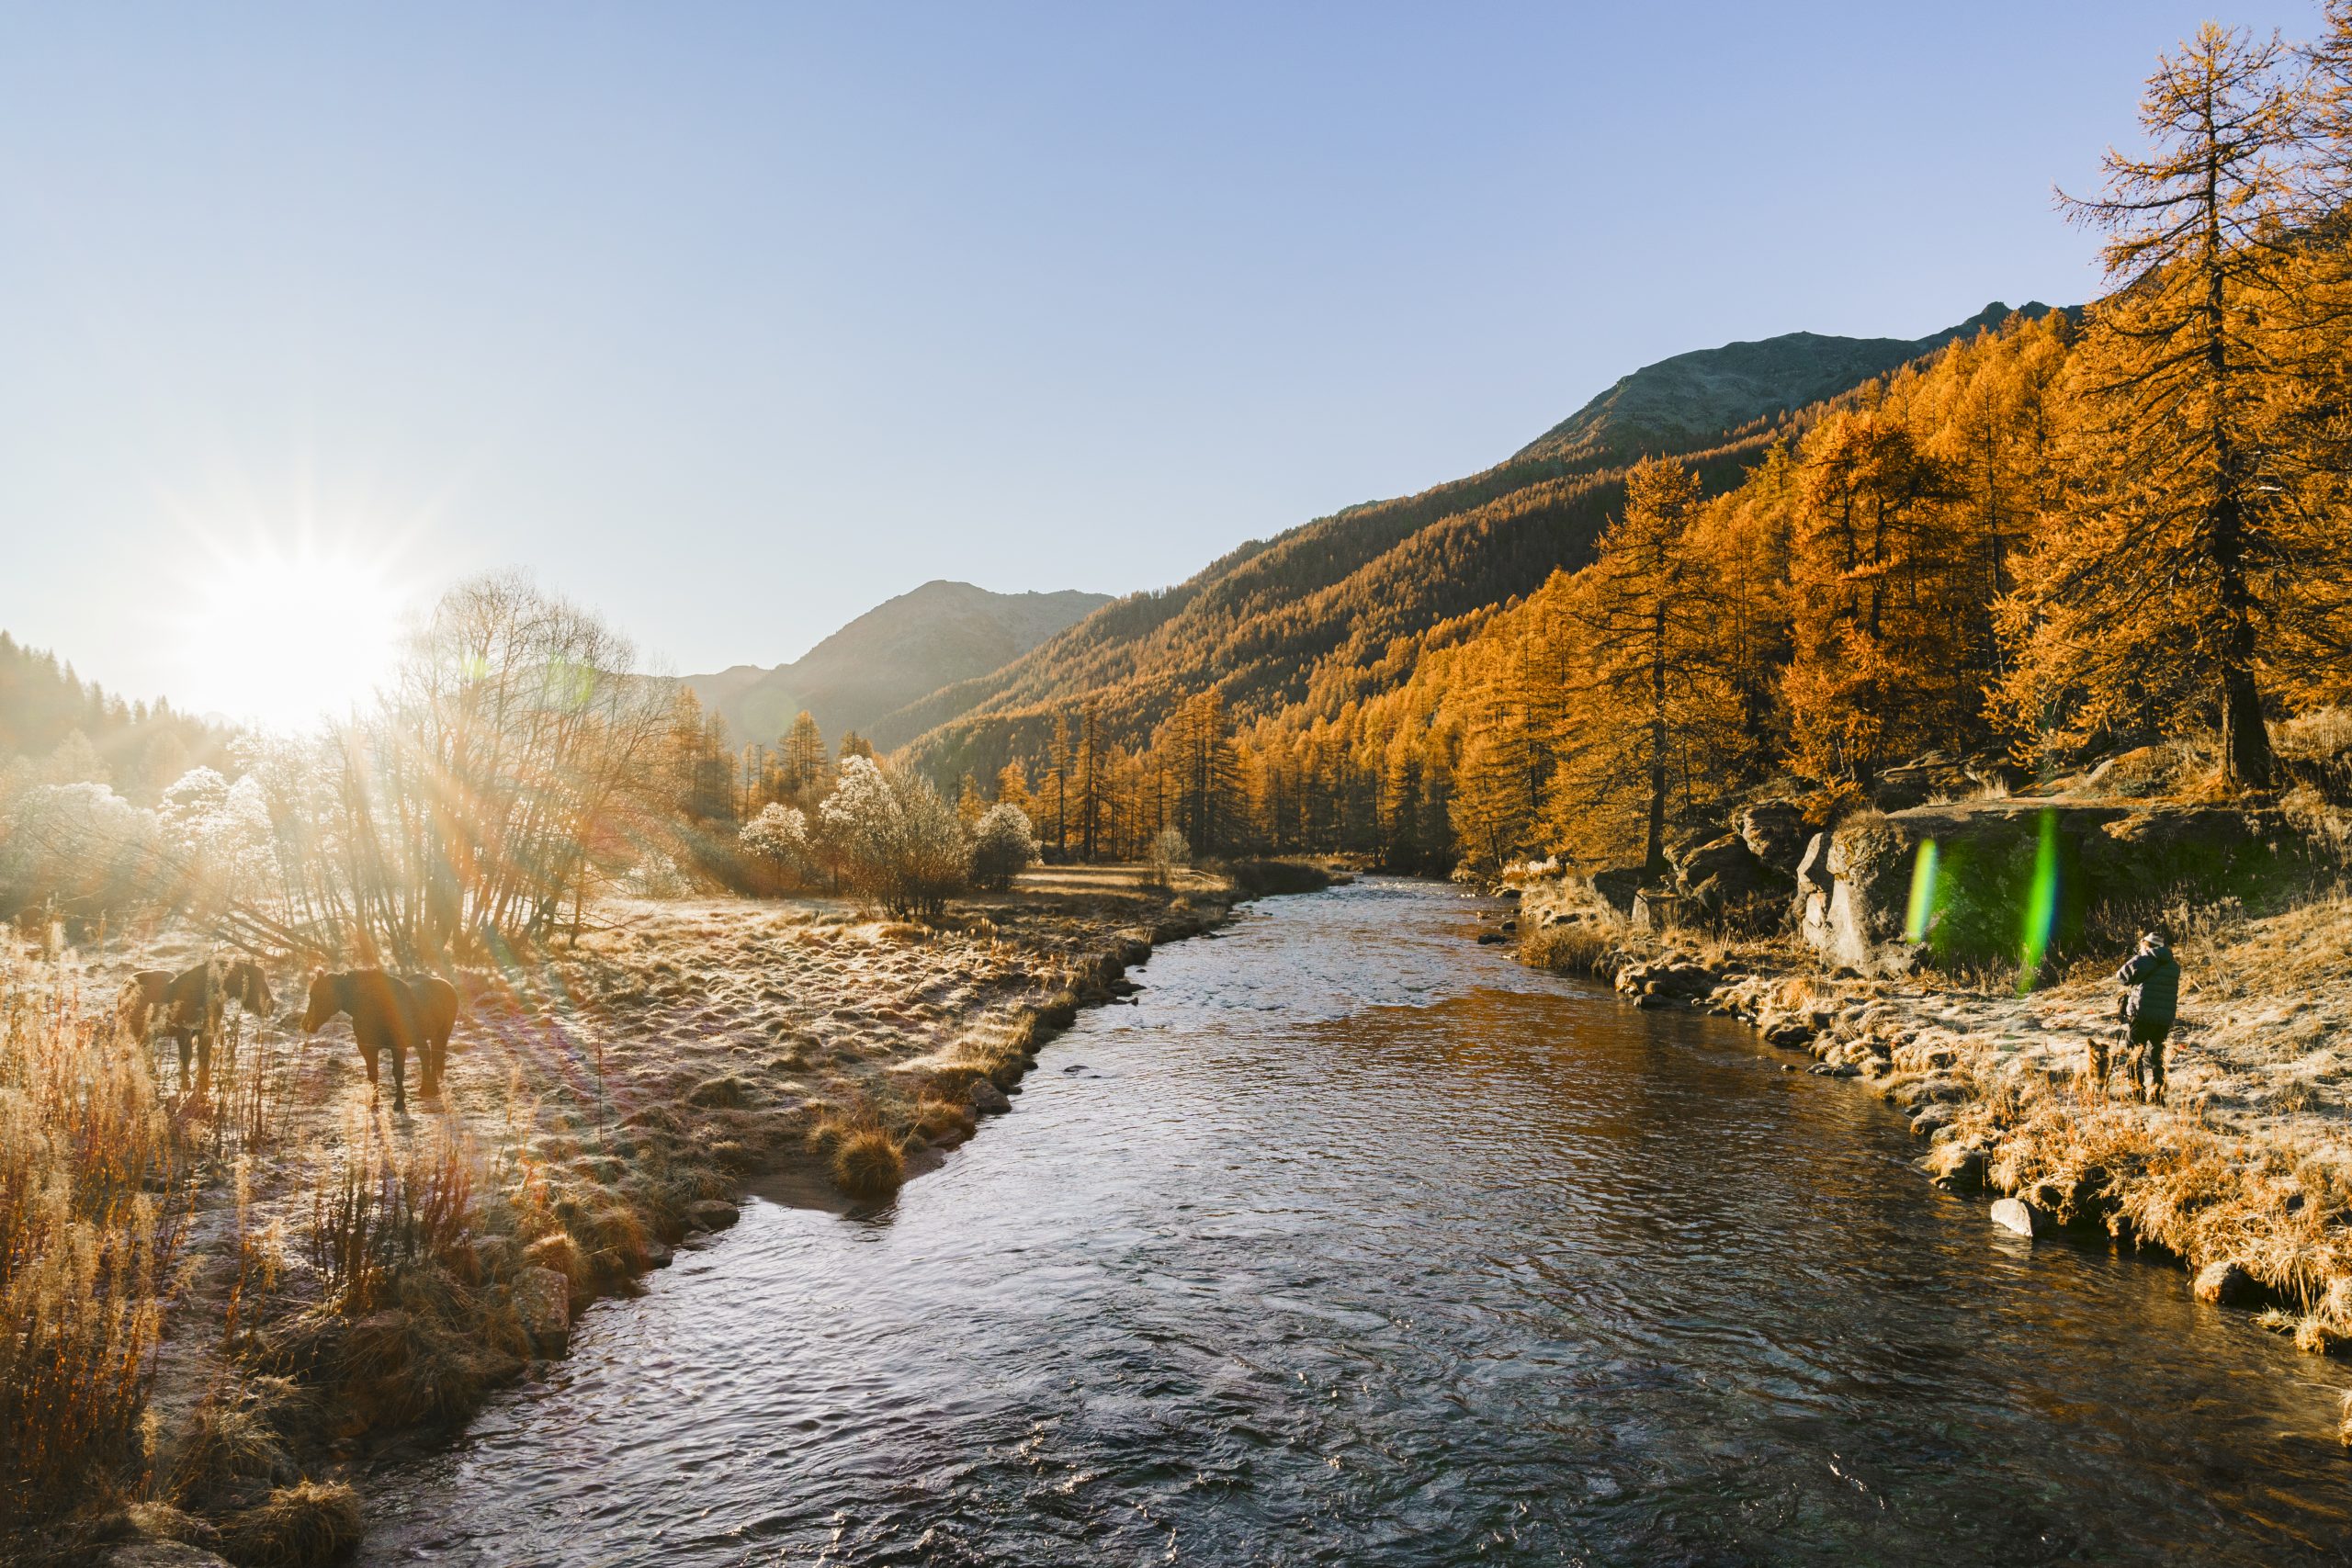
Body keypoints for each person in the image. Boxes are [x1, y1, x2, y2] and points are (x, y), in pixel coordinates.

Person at [2114, 931, 2180, 1104]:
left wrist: (2140, 956)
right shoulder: (2173, 965)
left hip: (2141, 1015)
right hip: (2164, 1018)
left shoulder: (2143, 960)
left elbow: (2121, 977)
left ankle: (2138, 1094)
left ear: (2146, 945)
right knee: (2158, 1057)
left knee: (2135, 1054)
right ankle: (2158, 1095)